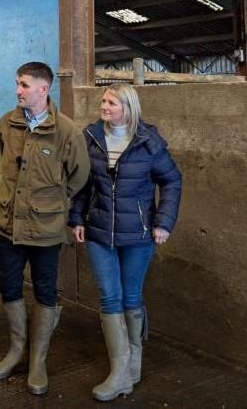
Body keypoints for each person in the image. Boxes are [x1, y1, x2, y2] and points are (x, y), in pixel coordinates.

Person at [69, 83, 181, 402]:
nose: (103, 106)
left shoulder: (149, 143)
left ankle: (133, 365)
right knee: (109, 297)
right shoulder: (91, 138)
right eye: (103, 101)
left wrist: (163, 222)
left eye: (111, 102)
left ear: (127, 108)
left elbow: (172, 180)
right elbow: (82, 184)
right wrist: (77, 218)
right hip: (98, 230)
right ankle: (120, 372)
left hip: (139, 233)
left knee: (131, 295)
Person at [0, 61, 90, 395]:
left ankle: (38, 362)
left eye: (24, 85)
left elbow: (78, 177)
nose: (18, 90)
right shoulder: (7, 124)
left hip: (46, 228)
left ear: (43, 89)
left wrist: (50, 203)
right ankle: (17, 351)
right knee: (9, 285)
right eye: (17, 83)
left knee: (45, 290)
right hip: (9, 225)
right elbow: (6, 167)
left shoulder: (67, 131)